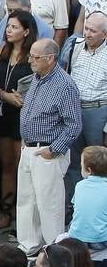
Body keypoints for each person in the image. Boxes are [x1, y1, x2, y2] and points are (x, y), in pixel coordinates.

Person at [18, 38, 82, 253]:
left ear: (51, 58)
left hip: (48, 150)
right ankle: (28, 246)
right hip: (28, 148)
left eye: (35, 57)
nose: (30, 61)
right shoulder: (38, 77)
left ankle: (54, 249)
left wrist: (53, 150)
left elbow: (74, 124)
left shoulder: (65, 85)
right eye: (31, 56)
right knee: (27, 201)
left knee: (49, 204)